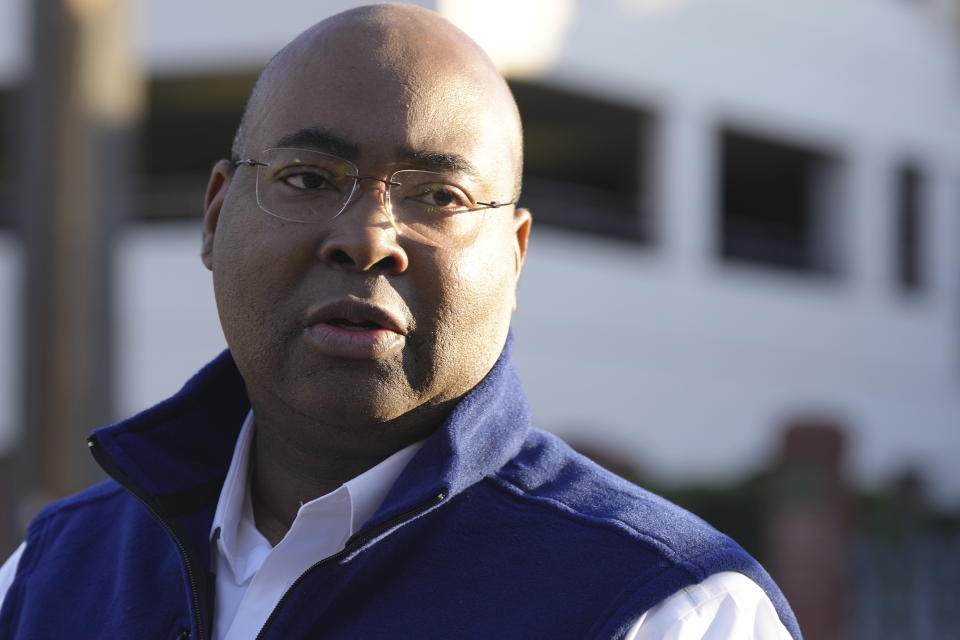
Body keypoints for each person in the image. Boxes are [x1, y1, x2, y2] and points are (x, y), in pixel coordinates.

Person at [0, 4, 800, 639]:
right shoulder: (50, 573)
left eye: (440, 197)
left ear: (514, 257)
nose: (368, 239)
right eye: (308, 177)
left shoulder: (669, 611)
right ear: (215, 217)